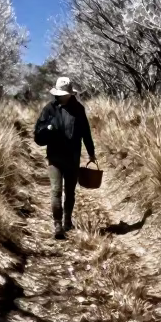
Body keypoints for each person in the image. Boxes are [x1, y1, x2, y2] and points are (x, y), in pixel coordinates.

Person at [33, 76, 96, 240]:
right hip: (55, 157)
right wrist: (47, 128)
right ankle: (57, 225)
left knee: (70, 192)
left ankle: (68, 220)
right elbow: (38, 135)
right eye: (60, 93)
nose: (62, 96)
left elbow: (85, 133)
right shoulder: (49, 109)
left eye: (65, 93)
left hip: (73, 157)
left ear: (70, 93)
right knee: (56, 191)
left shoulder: (79, 109)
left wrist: (91, 152)